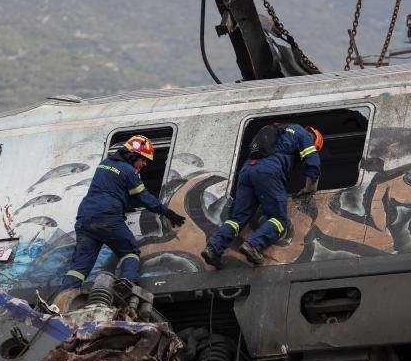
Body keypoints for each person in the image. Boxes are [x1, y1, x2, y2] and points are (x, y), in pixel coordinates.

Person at [59, 135, 186, 290]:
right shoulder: (129, 171)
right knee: (130, 252)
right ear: (134, 156)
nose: (145, 164)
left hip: (85, 218)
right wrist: (167, 212)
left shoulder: (104, 165)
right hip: (108, 218)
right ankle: (126, 285)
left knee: (80, 266)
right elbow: (145, 198)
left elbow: (109, 188)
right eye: (144, 159)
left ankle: (61, 300)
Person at [201, 123, 323, 268]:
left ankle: (213, 248)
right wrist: (310, 187)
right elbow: (312, 160)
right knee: (278, 219)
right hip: (268, 170)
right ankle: (253, 245)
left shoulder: (277, 131)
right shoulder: (302, 133)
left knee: (236, 219)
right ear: (314, 139)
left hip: (247, 170)